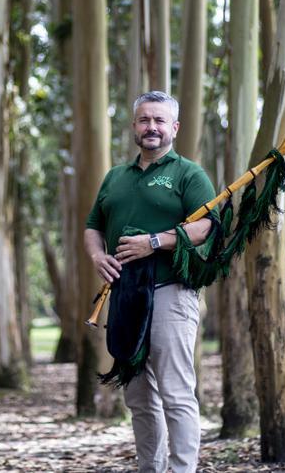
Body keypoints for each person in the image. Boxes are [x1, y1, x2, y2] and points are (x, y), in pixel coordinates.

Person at [85, 90, 217, 473]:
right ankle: (151, 468)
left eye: (160, 120)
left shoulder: (188, 174)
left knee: (176, 394)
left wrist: (154, 242)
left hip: (171, 294)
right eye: (144, 120)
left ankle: (182, 470)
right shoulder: (115, 178)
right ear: (134, 127)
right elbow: (93, 226)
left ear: (174, 127)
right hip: (126, 298)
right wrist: (97, 256)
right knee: (139, 396)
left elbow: (205, 226)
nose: (151, 127)